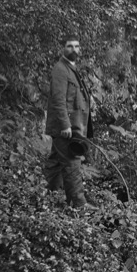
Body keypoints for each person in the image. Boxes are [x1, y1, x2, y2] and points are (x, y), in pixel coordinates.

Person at [44, 35, 95, 209]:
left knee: (56, 163)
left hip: (73, 126)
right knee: (72, 161)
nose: (74, 49)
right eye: (69, 46)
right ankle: (79, 204)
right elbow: (58, 99)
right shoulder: (60, 69)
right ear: (63, 48)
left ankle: (48, 199)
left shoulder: (71, 69)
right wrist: (65, 125)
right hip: (66, 128)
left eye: (76, 46)